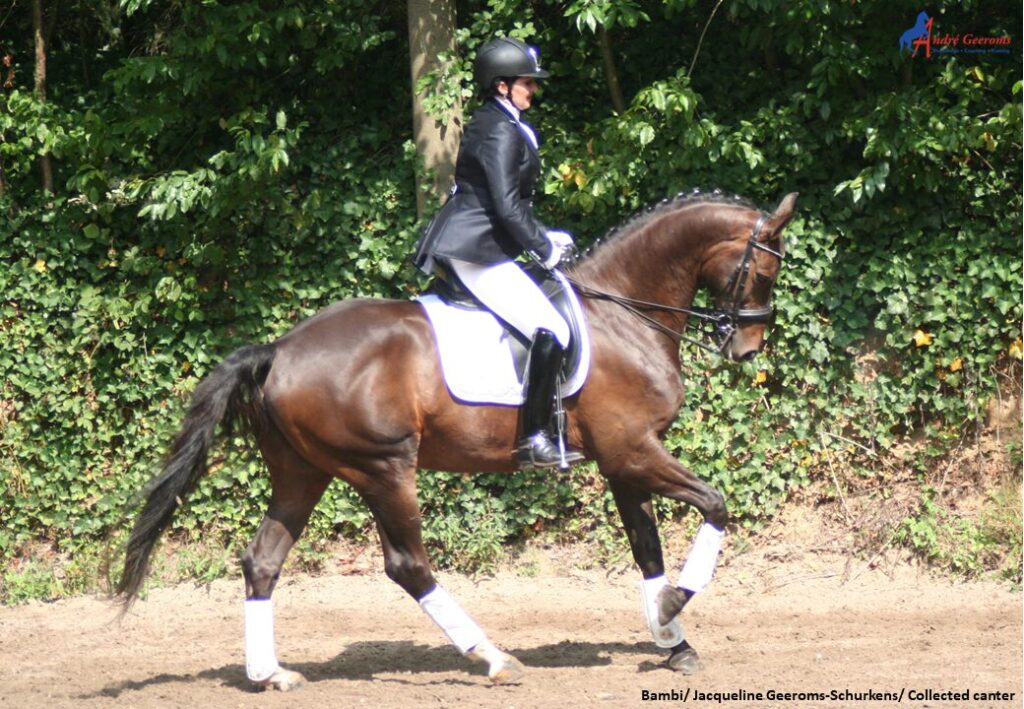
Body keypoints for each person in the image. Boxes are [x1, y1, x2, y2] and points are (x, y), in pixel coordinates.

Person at [413, 37, 583, 470]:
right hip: (475, 250)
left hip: (488, 243)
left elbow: (507, 204)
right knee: (552, 328)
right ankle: (535, 436)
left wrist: (547, 235)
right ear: (502, 85)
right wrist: (544, 248)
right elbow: (506, 206)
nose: (534, 90)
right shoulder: (497, 129)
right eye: (528, 83)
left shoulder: (500, 122)